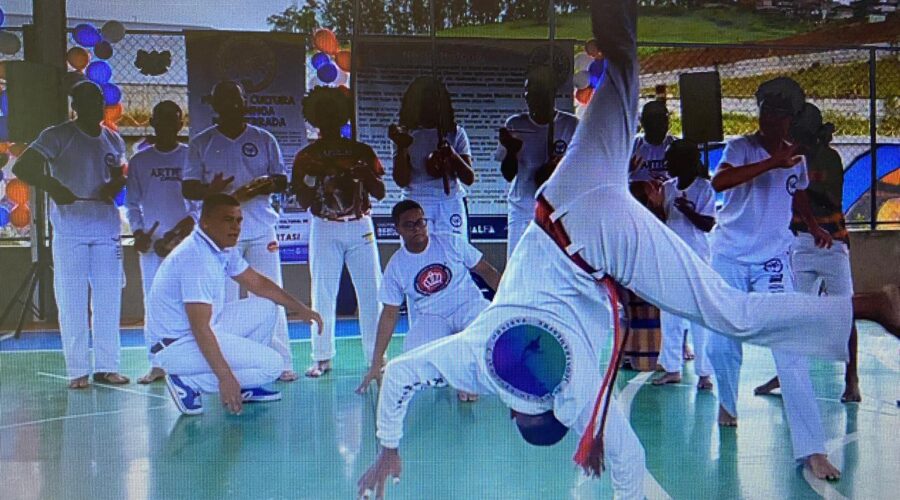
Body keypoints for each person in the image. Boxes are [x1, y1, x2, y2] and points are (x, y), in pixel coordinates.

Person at [358, 2, 900, 498]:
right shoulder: (474, 359)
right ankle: (615, 15)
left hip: (601, 240)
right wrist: (388, 447)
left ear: (553, 413)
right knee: (619, 67)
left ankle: (869, 305)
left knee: (732, 313)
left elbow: (630, 461)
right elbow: (399, 374)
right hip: (561, 197)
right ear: (514, 414)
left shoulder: (575, 396)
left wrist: (615, 470)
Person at [706, 77, 842, 480]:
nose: (771, 119)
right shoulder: (740, 147)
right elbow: (720, 181)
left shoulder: (796, 160)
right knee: (721, 343)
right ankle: (727, 400)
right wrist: (771, 163)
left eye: (780, 114)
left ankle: (813, 450)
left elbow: (797, 193)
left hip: (773, 261)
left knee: (790, 348)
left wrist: (812, 225)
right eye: (767, 111)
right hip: (729, 257)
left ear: (790, 120)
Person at [146, 193, 323, 415]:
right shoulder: (196, 258)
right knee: (273, 366)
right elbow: (199, 328)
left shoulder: (220, 247)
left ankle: (246, 385)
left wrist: (300, 308)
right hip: (176, 346)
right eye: (228, 220)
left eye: (239, 220)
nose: (236, 227)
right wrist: (226, 378)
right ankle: (188, 382)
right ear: (206, 222)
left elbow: (257, 283)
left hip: (197, 331)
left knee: (266, 307)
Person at [12, 81, 129, 389]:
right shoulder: (57, 135)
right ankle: (77, 370)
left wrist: (115, 185)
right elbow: (23, 167)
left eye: (98, 100)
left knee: (108, 299)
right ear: (75, 106)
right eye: (87, 101)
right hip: (70, 230)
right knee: (72, 300)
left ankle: (107, 367)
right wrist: (52, 186)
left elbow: (119, 176)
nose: (94, 106)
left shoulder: (113, 139)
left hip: (106, 228)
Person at [182, 81, 298, 381]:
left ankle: (281, 361)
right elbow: (189, 187)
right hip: (221, 237)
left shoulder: (263, 138)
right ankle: (229, 364)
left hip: (260, 229)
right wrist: (214, 190)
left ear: (245, 102)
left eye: (237, 100)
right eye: (225, 101)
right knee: (225, 302)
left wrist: (263, 185)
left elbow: (282, 180)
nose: (232, 106)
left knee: (270, 293)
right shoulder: (202, 142)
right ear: (215, 106)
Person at [753, 103, 861, 403]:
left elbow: (827, 197)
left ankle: (851, 378)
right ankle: (786, 373)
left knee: (844, 312)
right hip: (800, 244)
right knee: (793, 312)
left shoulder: (829, 158)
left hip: (832, 245)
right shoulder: (790, 158)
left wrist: (792, 183)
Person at [356, 200, 501, 402]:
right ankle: (457, 370)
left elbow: (487, 271)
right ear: (398, 229)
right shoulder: (396, 266)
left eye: (420, 222)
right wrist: (375, 363)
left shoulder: (450, 242)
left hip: (468, 305)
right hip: (434, 317)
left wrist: (506, 304)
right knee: (413, 357)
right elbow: (389, 315)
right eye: (409, 224)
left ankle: (468, 374)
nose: (417, 228)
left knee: (495, 333)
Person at [290, 86, 386, 378]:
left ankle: (376, 357)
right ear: (314, 118)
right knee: (323, 292)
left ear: (343, 116)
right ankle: (322, 357)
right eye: (323, 113)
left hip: (359, 225)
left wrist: (366, 175)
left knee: (371, 292)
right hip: (324, 226)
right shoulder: (307, 156)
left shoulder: (360, 151)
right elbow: (304, 201)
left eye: (334, 112)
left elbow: (380, 192)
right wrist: (313, 177)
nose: (329, 118)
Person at [125, 101, 197, 384]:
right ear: (152, 123)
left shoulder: (190, 157)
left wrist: (178, 234)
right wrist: (139, 233)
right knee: (154, 302)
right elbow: (132, 205)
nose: (167, 125)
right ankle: (157, 363)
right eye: (162, 120)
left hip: (186, 244)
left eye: (173, 120)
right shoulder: (140, 161)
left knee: (189, 301)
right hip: (152, 246)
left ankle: (190, 361)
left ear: (181, 125)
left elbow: (199, 206)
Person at [497, 65, 579, 259]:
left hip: (556, 209)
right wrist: (511, 151)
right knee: (519, 264)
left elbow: (581, 171)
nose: (532, 99)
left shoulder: (571, 125)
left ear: (551, 95)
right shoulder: (515, 124)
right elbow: (508, 174)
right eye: (529, 94)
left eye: (538, 93)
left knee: (554, 265)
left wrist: (560, 165)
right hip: (522, 208)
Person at [652, 140, 715, 390]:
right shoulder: (668, 187)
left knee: (700, 317)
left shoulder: (704, 188)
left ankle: (705, 374)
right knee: (670, 315)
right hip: (671, 259)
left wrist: (688, 210)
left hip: (696, 259)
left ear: (686, 162)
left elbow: (708, 224)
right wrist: (656, 205)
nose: (666, 164)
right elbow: (663, 221)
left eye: (671, 159)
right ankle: (672, 369)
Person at [389, 76, 475, 237]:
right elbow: (401, 181)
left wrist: (452, 155)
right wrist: (401, 146)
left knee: (453, 249)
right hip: (415, 202)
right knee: (419, 249)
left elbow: (469, 179)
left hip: (449, 202)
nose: (428, 108)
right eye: (423, 102)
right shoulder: (405, 134)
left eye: (433, 102)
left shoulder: (455, 133)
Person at [628, 100, 675, 183]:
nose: (661, 125)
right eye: (654, 120)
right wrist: (627, 169)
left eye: (664, 119)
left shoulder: (676, 146)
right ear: (643, 122)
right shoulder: (631, 146)